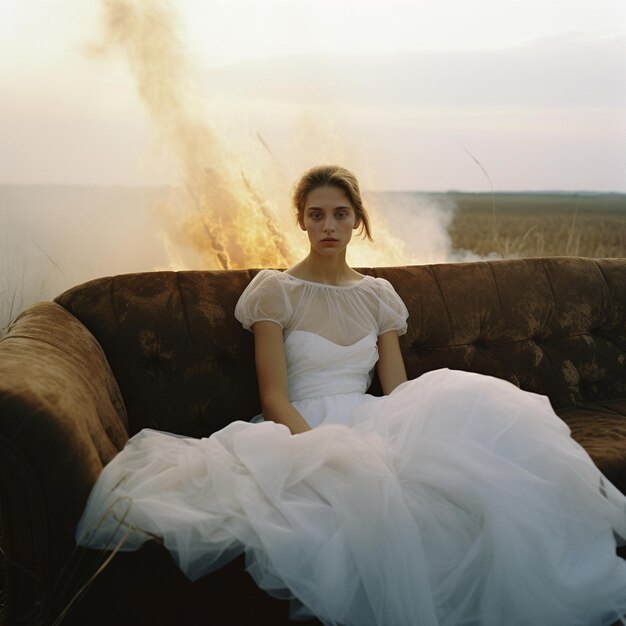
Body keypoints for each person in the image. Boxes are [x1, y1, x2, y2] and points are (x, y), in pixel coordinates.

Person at [77, 165, 626, 626]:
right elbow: (274, 398)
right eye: (316, 214)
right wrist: (320, 450)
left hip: (373, 417)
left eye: (340, 213)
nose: (328, 225)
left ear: (357, 219)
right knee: (357, 497)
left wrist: (423, 434)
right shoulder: (276, 291)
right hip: (299, 424)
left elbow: (398, 390)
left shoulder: (379, 296)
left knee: (479, 469)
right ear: (301, 221)